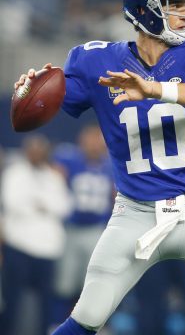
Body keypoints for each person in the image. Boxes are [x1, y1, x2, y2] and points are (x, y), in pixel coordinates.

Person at [15, 0, 185, 335]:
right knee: (87, 316)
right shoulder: (94, 60)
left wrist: (155, 88)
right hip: (134, 215)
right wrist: (28, 93)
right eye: (174, 4)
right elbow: (33, 116)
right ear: (144, 9)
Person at [0, 134, 71, 335]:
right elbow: (13, 202)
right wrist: (45, 206)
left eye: (40, 150)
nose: (36, 153)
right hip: (18, 246)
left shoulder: (53, 176)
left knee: (46, 303)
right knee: (11, 300)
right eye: (33, 149)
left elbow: (65, 206)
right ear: (26, 151)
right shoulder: (14, 173)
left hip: (48, 250)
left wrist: (38, 203)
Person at [51, 125, 114, 327]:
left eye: (99, 139)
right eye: (92, 139)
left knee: (95, 286)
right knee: (65, 284)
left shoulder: (110, 165)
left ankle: (95, 328)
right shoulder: (68, 158)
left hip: (97, 230)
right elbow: (53, 177)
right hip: (71, 229)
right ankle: (58, 325)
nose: (95, 144)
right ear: (82, 140)